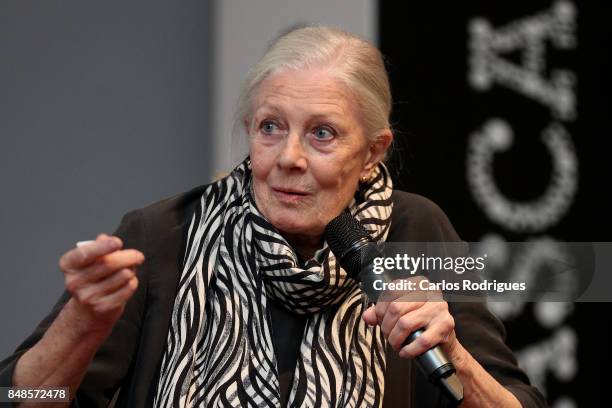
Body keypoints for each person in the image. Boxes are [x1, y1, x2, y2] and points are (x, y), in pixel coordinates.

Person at [0, 26, 546, 407]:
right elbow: (23, 398)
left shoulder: (418, 232)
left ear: (373, 152)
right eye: (270, 127)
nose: (289, 157)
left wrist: (454, 354)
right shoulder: (162, 237)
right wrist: (81, 328)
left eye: (322, 134)